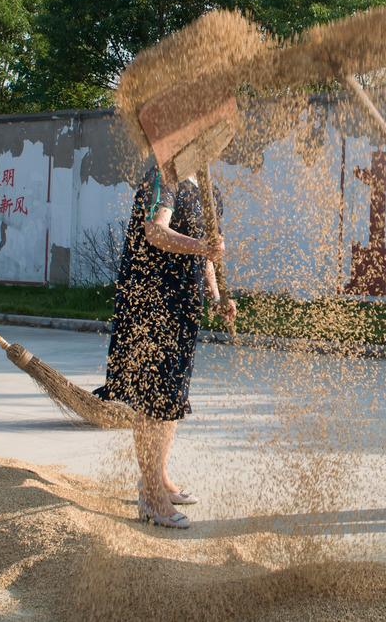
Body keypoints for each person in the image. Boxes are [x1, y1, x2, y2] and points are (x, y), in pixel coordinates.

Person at [94, 163, 236, 530]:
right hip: (152, 304)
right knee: (153, 399)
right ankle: (151, 496)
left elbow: (207, 256)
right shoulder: (162, 179)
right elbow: (156, 232)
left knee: (171, 397)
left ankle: (159, 477)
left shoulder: (209, 192)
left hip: (184, 305)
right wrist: (201, 246)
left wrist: (217, 297)